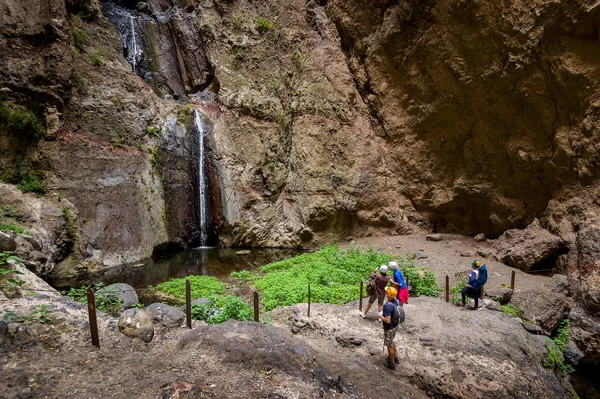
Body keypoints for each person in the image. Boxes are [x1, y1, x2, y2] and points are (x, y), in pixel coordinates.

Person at [379, 286, 400, 369]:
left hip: (389, 328)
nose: (386, 293)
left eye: (387, 292)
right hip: (395, 325)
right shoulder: (397, 301)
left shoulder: (387, 306)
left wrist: (380, 316)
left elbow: (387, 320)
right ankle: (396, 358)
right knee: (392, 341)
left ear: (389, 295)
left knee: (389, 345)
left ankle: (391, 363)